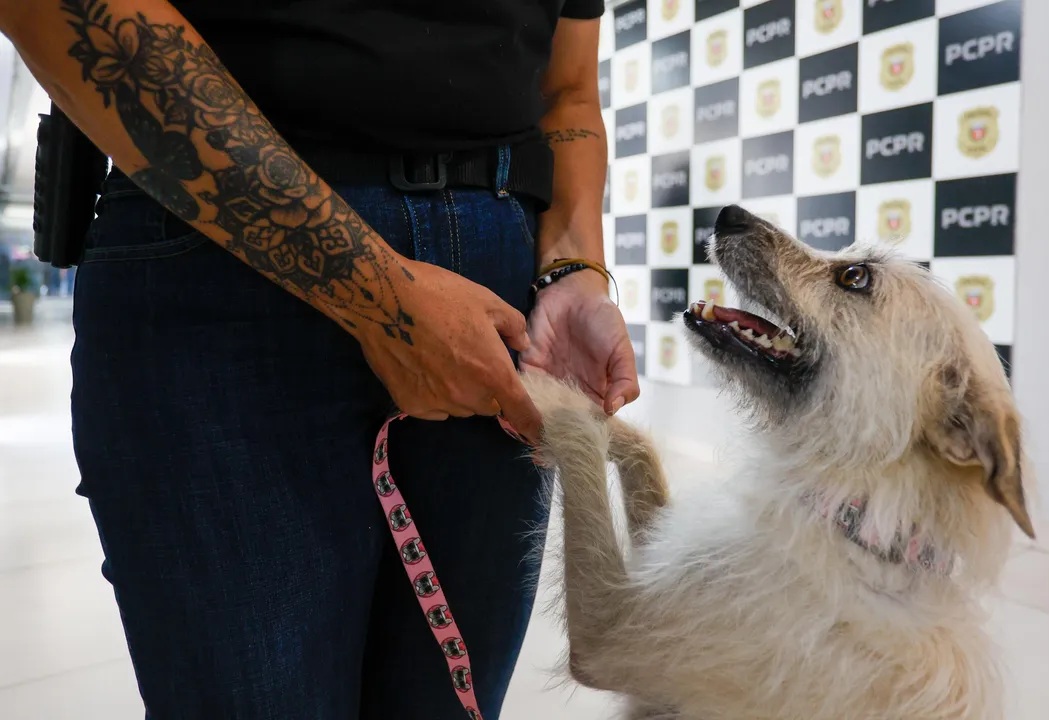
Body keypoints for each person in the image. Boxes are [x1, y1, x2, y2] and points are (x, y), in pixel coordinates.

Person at [0, 1, 639, 718]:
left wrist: (574, 266)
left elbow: (569, 90)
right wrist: (377, 297)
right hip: (217, 244)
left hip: (495, 282)